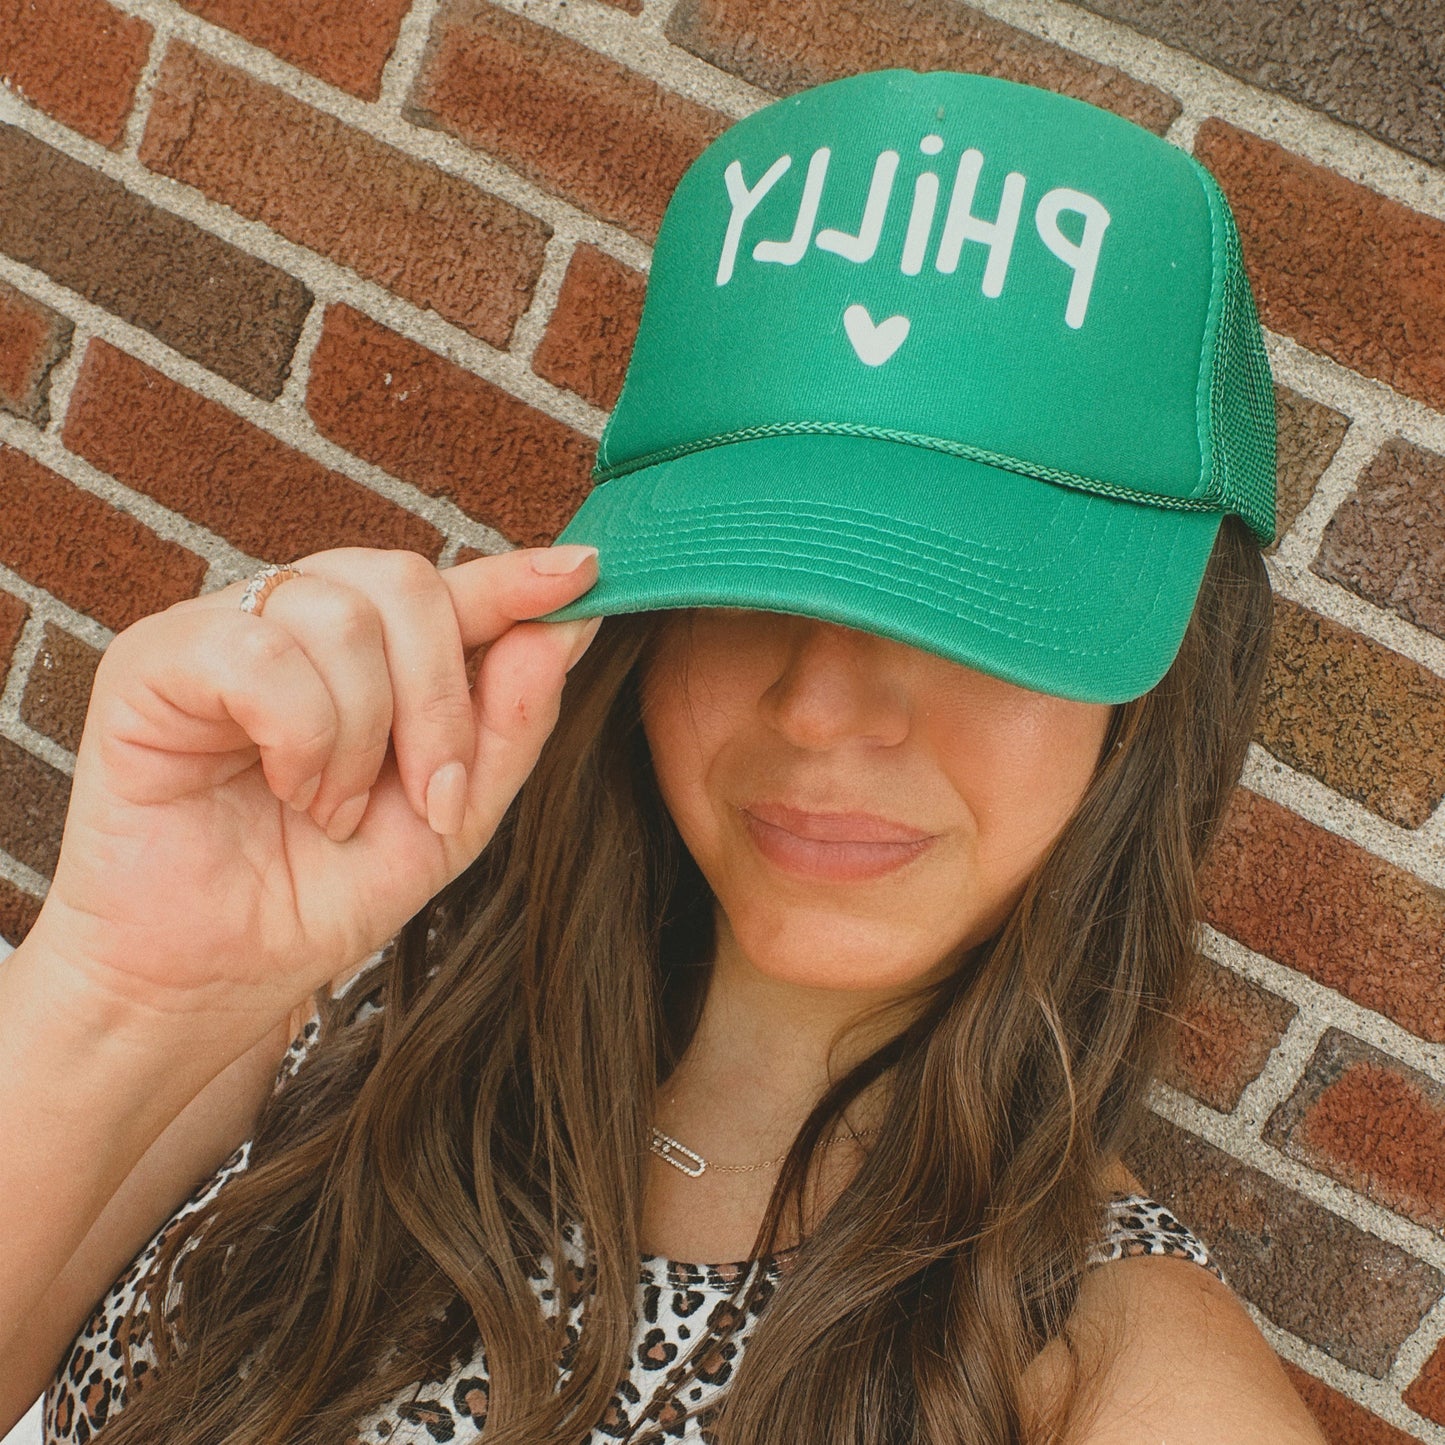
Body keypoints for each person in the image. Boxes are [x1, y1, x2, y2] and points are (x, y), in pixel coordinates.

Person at [0, 67, 1327, 1445]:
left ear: (1162, 685)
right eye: (748, 580)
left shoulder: (1114, 1379)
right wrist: (116, 983)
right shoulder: (345, 979)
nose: (822, 708)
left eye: (970, 618)